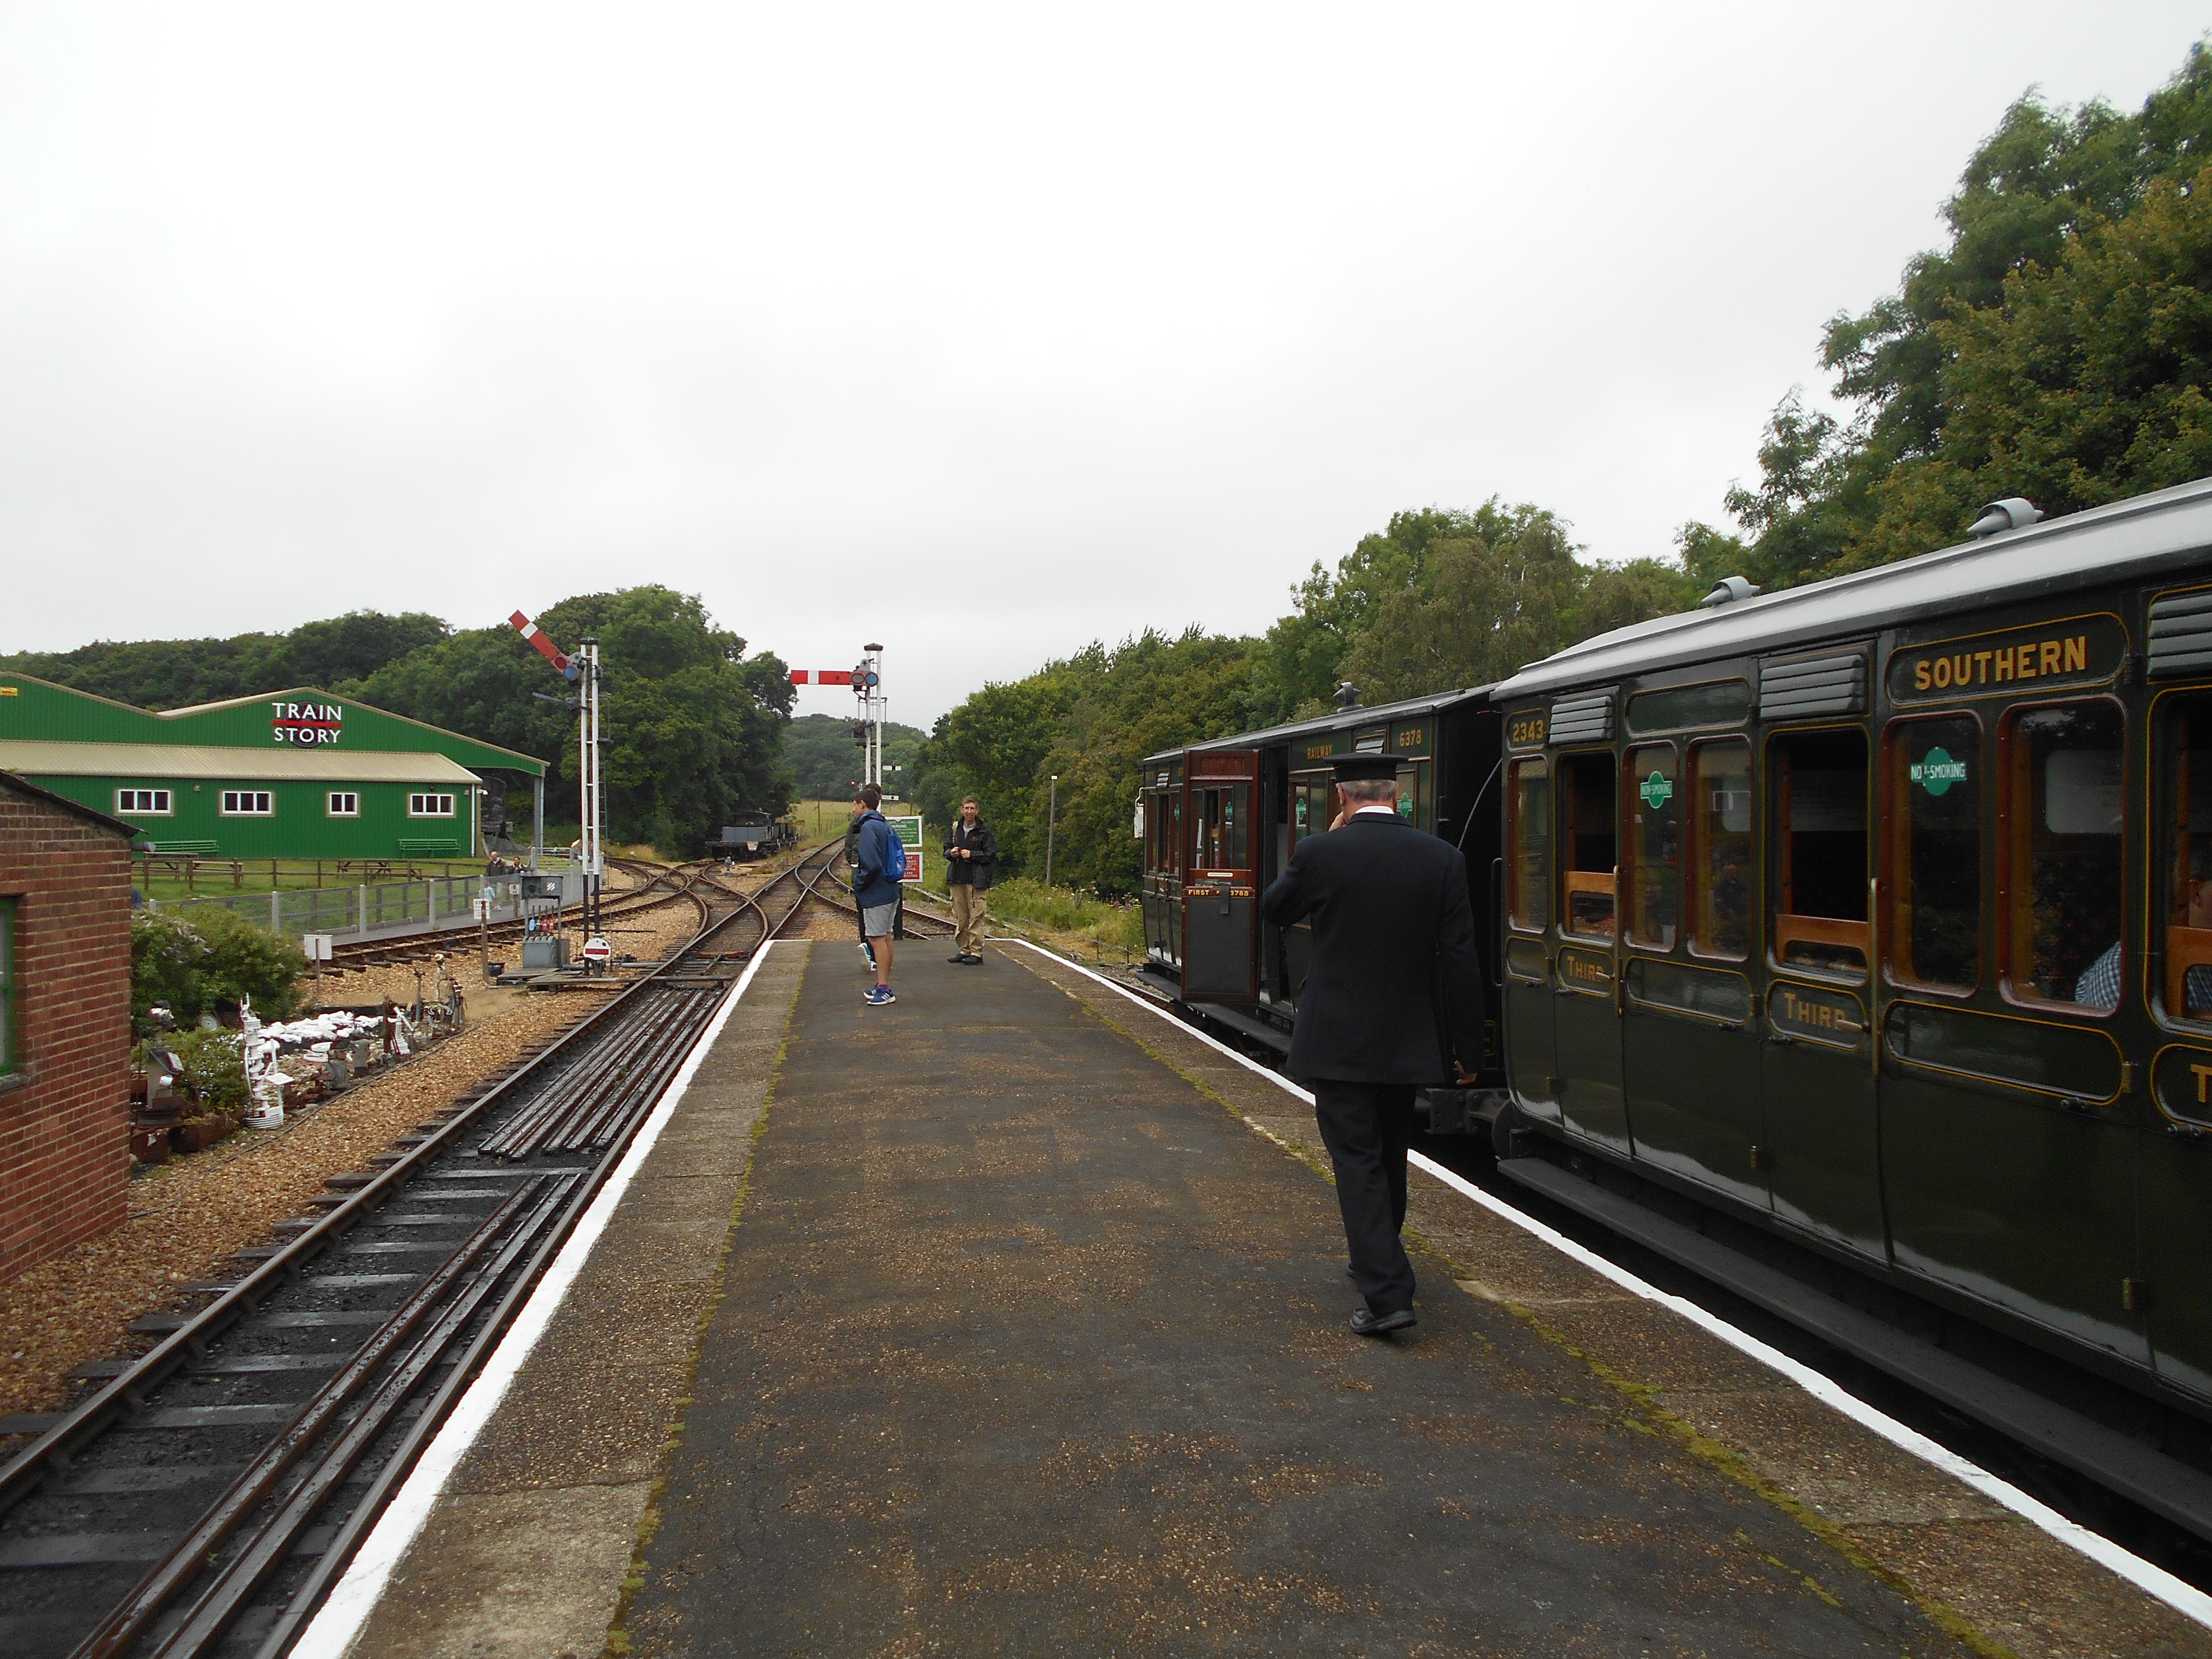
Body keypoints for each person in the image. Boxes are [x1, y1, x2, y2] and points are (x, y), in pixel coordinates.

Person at [1260, 754, 1486, 1338]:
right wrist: (1467, 1047)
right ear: (1397, 793)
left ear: (1342, 797)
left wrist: (1318, 847)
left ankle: (1387, 1296)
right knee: (1389, 1155)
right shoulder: (1443, 859)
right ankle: (1373, 1259)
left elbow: (1274, 911)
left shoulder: (1321, 853)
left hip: (1338, 1038)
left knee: (1355, 1159)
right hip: (1409, 1039)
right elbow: (1461, 958)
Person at [850, 785, 902, 1005]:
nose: (854, 809)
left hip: (876, 891)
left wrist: (858, 883)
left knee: (876, 939)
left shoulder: (869, 827)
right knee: (886, 937)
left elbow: (871, 863)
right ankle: (884, 984)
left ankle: (884, 988)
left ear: (863, 804)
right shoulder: (884, 824)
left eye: (855, 804)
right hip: (891, 888)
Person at [943, 796, 998, 964]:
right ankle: (964, 950)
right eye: (966, 808)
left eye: (972, 808)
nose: (969, 812)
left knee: (976, 917)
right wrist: (950, 853)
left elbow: (991, 854)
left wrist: (972, 855)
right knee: (961, 917)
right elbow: (946, 848)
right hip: (958, 877)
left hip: (976, 880)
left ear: (977, 811)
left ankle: (976, 953)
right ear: (962, 810)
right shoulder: (955, 829)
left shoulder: (984, 831)